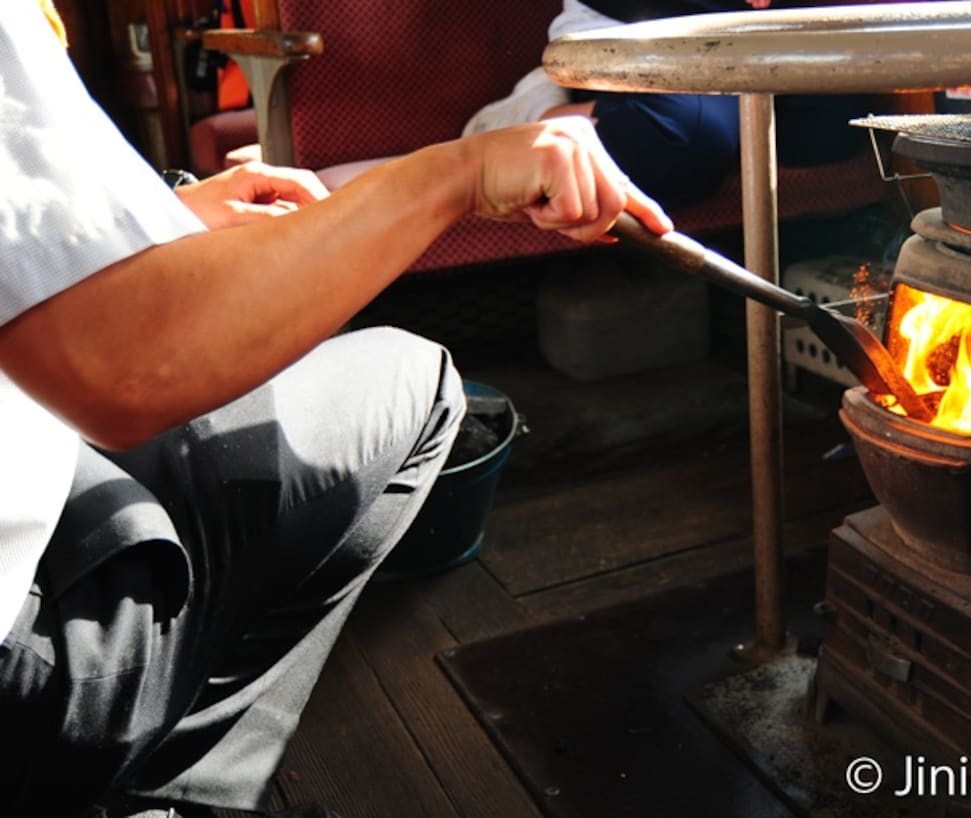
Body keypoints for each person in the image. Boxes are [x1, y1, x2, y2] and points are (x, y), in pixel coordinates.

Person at [0, 1, 671, 816]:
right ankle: (178, 792)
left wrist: (161, 224)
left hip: (45, 498)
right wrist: (458, 170)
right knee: (416, 381)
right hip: (25, 659)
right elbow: (130, 371)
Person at [464, 0, 870, 209]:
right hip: (638, 26)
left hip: (764, 29)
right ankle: (529, 120)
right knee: (690, 139)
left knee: (829, 135)